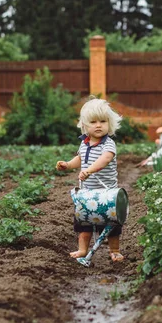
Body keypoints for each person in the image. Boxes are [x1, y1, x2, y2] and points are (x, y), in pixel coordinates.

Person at [56, 96, 125, 262]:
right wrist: (68, 164)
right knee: (83, 222)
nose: (99, 125)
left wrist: (89, 170)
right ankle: (82, 249)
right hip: (87, 193)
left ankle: (114, 250)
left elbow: (105, 159)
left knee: (111, 223)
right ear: (85, 125)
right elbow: (80, 159)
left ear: (109, 123)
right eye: (93, 122)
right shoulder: (84, 143)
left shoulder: (108, 144)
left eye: (103, 121)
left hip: (106, 193)